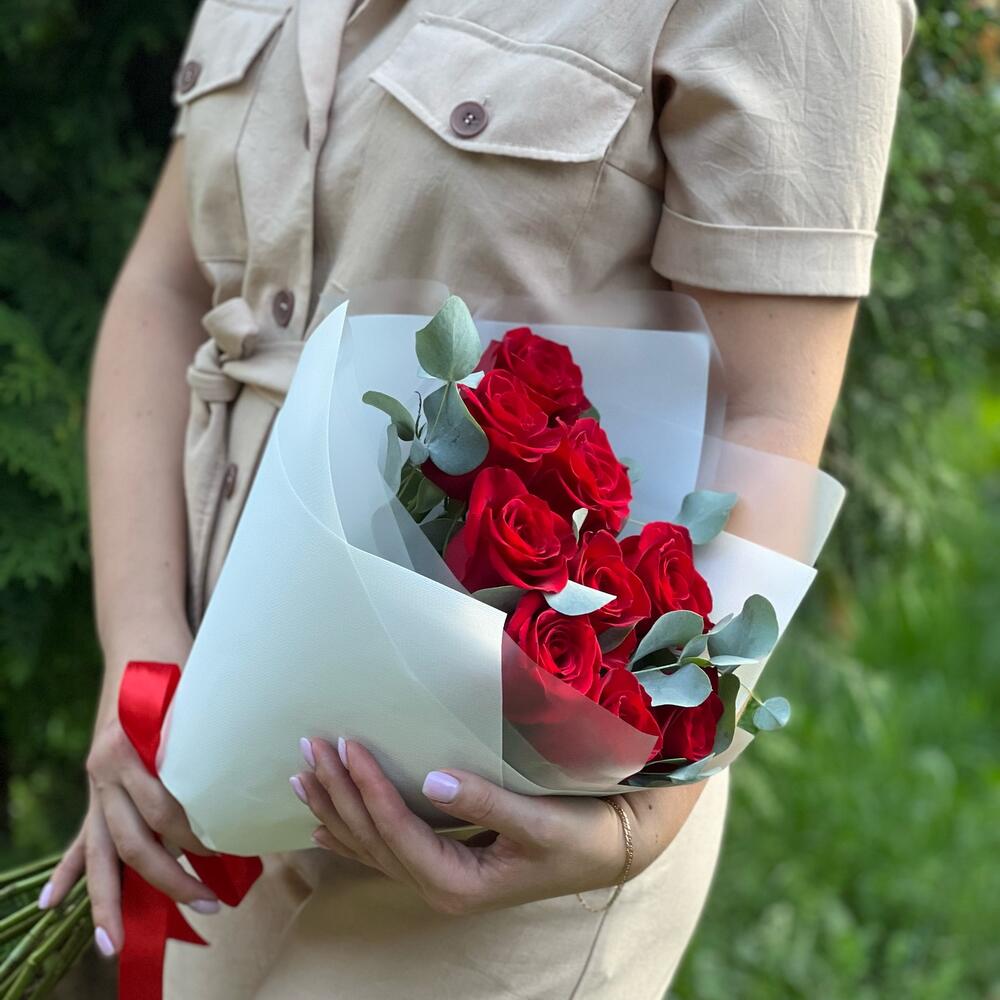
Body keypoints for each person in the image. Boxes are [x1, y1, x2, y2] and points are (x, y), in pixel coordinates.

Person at [39, 0, 918, 996]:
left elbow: (765, 417)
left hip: (498, 831)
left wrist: (636, 823)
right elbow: (169, 288)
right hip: (210, 768)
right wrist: (142, 654)